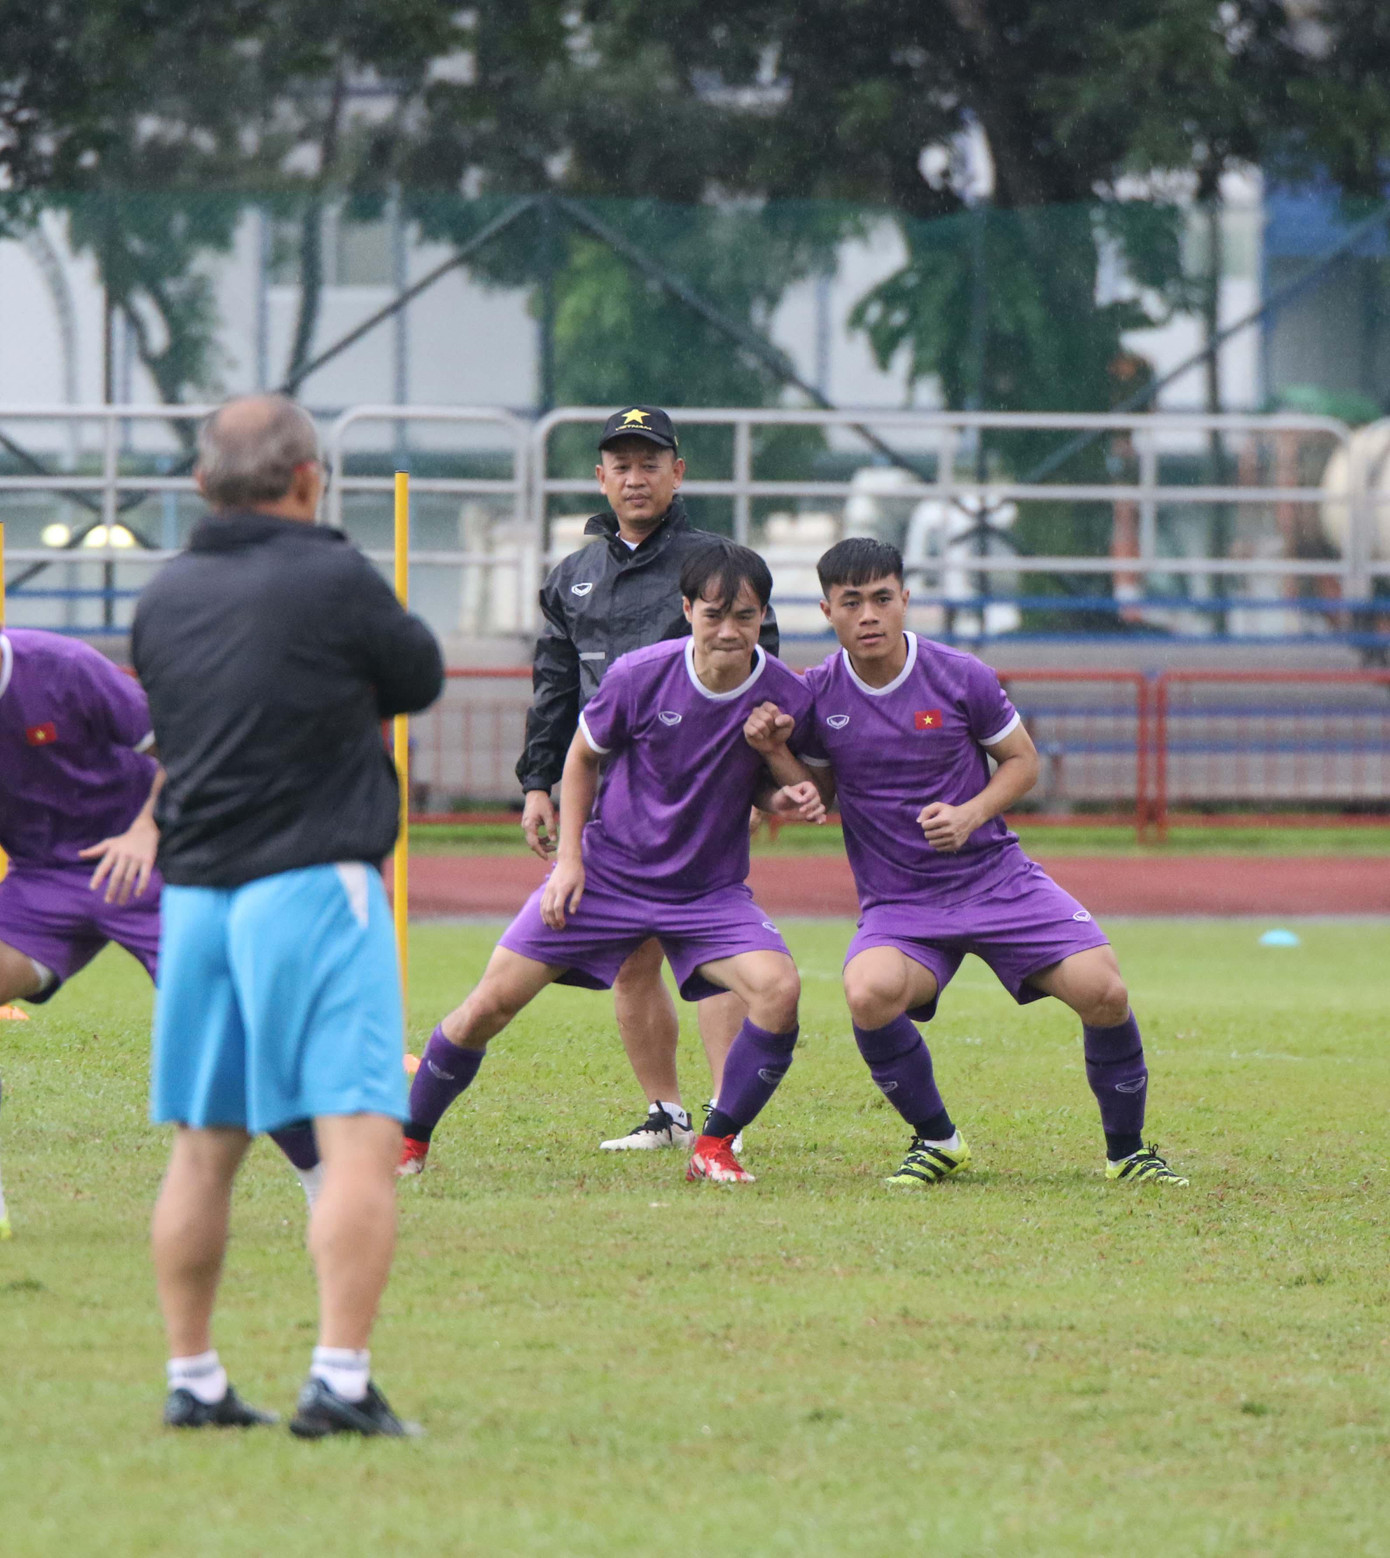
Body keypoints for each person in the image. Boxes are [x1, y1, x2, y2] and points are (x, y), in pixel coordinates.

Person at [132, 394, 443, 1435]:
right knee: (358, 1132)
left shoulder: (164, 593)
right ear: (308, 477)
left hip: (197, 897)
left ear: (200, 487)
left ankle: (195, 1377)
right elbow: (418, 675)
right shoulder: (331, 572)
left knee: (203, 1146)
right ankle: (340, 1381)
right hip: (312, 881)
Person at [748, 538, 1186, 1188]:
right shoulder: (817, 695)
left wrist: (970, 813)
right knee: (868, 992)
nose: (868, 615)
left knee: (1104, 989)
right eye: (851, 603)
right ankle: (937, 1141)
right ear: (827, 611)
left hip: (997, 881)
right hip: (901, 903)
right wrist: (776, 753)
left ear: (904, 600)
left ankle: (1127, 1153)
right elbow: (818, 800)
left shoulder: (961, 674)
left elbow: (1023, 762)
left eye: (881, 599)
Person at [399, 541, 823, 1185]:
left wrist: (786, 781)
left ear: (763, 615)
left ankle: (714, 1146)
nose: (730, 631)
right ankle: (408, 1144)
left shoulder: (784, 692)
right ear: (688, 610)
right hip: (608, 876)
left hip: (708, 893)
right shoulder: (639, 674)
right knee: (488, 1004)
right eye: (714, 614)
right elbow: (581, 757)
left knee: (779, 988)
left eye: (745, 616)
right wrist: (569, 860)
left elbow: (784, 785)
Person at [0, 629, 322, 1242]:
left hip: (152, 865)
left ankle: (323, 1181)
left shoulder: (62, 667)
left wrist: (146, 832)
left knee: (234, 1028)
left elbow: (183, 747)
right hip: (42, 881)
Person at [517, 406, 779, 1153]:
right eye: (620, 465)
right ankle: (667, 1113)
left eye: (650, 463)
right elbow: (554, 690)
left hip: (697, 789)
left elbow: (763, 676)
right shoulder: (572, 577)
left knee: (713, 951)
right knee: (632, 956)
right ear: (600, 477)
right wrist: (539, 781)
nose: (636, 477)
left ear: (677, 474)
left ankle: (729, 1125)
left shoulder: (715, 563)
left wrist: (755, 784)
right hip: (607, 794)